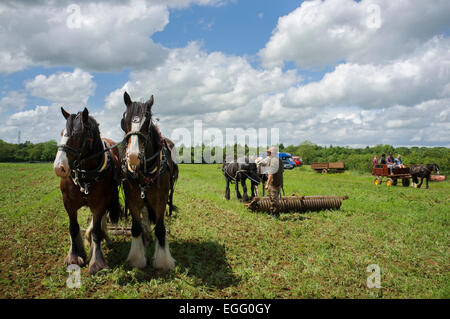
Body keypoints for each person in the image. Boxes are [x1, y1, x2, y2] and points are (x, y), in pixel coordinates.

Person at [260, 146, 283, 218]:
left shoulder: (273, 161)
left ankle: (275, 214)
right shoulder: (279, 160)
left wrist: (267, 184)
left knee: (273, 199)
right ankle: (273, 213)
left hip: (273, 184)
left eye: (269, 152)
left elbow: (271, 174)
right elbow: (282, 172)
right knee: (276, 198)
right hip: (279, 182)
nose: (267, 153)